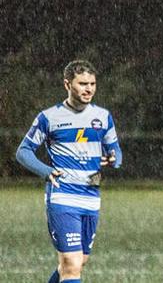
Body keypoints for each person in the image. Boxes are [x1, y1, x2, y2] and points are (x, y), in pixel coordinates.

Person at [16, 60, 123, 283]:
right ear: (67, 84)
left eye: (92, 83)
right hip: (63, 196)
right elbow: (23, 152)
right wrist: (46, 171)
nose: (89, 89)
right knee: (72, 265)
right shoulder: (49, 117)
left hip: (91, 197)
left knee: (77, 262)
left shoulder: (103, 117)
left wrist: (114, 159)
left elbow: (116, 151)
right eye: (83, 83)